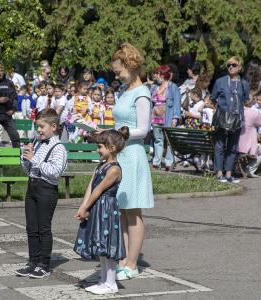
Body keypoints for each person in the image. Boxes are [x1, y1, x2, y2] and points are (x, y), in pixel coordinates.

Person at [111, 43, 154, 280]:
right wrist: (110, 132)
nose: (116, 75)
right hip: (121, 152)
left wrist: (118, 134)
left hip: (133, 154)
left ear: (130, 65)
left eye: (119, 71)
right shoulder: (125, 91)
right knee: (122, 209)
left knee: (133, 211)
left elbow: (144, 129)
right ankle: (125, 258)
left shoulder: (142, 93)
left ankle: (132, 263)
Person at [73, 128, 128, 295]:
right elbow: (91, 187)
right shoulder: (101, 166)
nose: (97, 150)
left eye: (100, 147)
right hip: (98, 207)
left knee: (108, 246)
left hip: (107, 209)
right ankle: (104, 280)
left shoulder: (114, 169)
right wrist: (83, 207)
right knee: (100, 245)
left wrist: (86, 206)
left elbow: (99, 190)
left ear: (111, 148)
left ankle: (111, 283)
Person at [15, 109, 67, 278]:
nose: (38, 130)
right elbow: (29, 170)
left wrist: (35, 159)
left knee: (43, 228)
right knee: (31, 227)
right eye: (38, 126)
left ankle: (44, 264)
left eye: (42, 127)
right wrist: (24, 158)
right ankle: (32, 261)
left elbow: (54, 172)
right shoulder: (37, 143)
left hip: (47, 190)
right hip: (32, 187)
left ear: (53, 127)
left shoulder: (59, 148)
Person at [211, 56, 250, 183]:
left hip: (237, 118)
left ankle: (228, 173)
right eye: (229, 65)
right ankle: (219, 173)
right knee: (219, 145)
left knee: (232, 147)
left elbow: (246, 100)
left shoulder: (244, 83)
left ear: (240, 67)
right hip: (222, 117)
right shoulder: (220, 81)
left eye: (233, 65)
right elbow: (213, 98)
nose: (231, 67)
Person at [150, 65, 181, 170]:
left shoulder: (173, 87)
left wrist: (175, 118)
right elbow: (151, 104)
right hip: (155, 118)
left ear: (163, 75)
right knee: (158, 140)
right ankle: (156, 162)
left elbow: (177, 103)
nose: (156, 76)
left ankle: (168, 163)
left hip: (167, 118)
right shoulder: (154, 88)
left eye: (158, 73)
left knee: (168, 141)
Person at [238, 93, 261, 178]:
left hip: (235, 144)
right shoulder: (253, 113)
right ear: (251, 102)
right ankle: (250, 168)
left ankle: (244, 168)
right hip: (247, 146)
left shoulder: (237, 110)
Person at [0, 64, 20, 148]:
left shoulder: (9, 83)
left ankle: (16, 157)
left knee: (15, 136)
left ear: (4, 71)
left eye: (1, 70)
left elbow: (15, 98)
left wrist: (13, 110)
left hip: (7, 113)